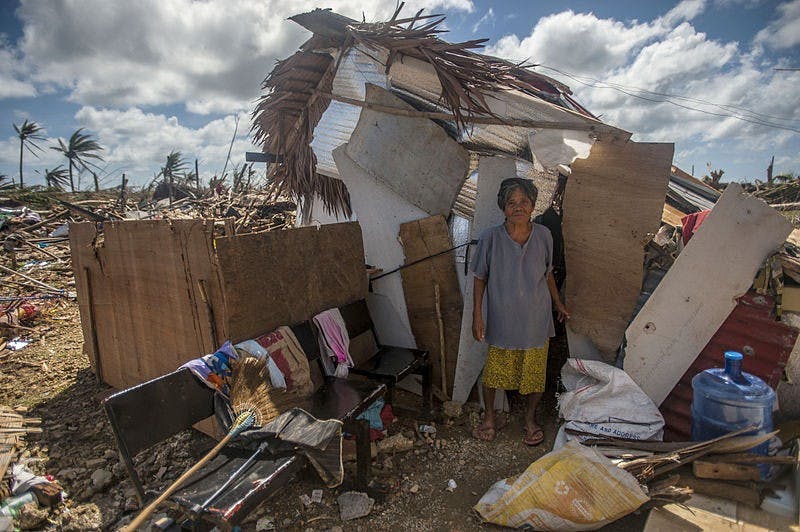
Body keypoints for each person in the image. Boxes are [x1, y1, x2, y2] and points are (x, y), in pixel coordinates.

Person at [470, 177, 569, 445]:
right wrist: (477, 315)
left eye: (523, 202)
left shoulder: (544, 235)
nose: (518, 207)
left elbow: (548, 274)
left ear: (532, 205)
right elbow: (480, 277)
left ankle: (529, 419)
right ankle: (490, 418)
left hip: (536, 319)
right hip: (502, 319)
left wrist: (558, 303)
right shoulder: (490, 238)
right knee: (493, 374)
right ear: (503, 207)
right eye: (511, 203)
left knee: (535, 375)